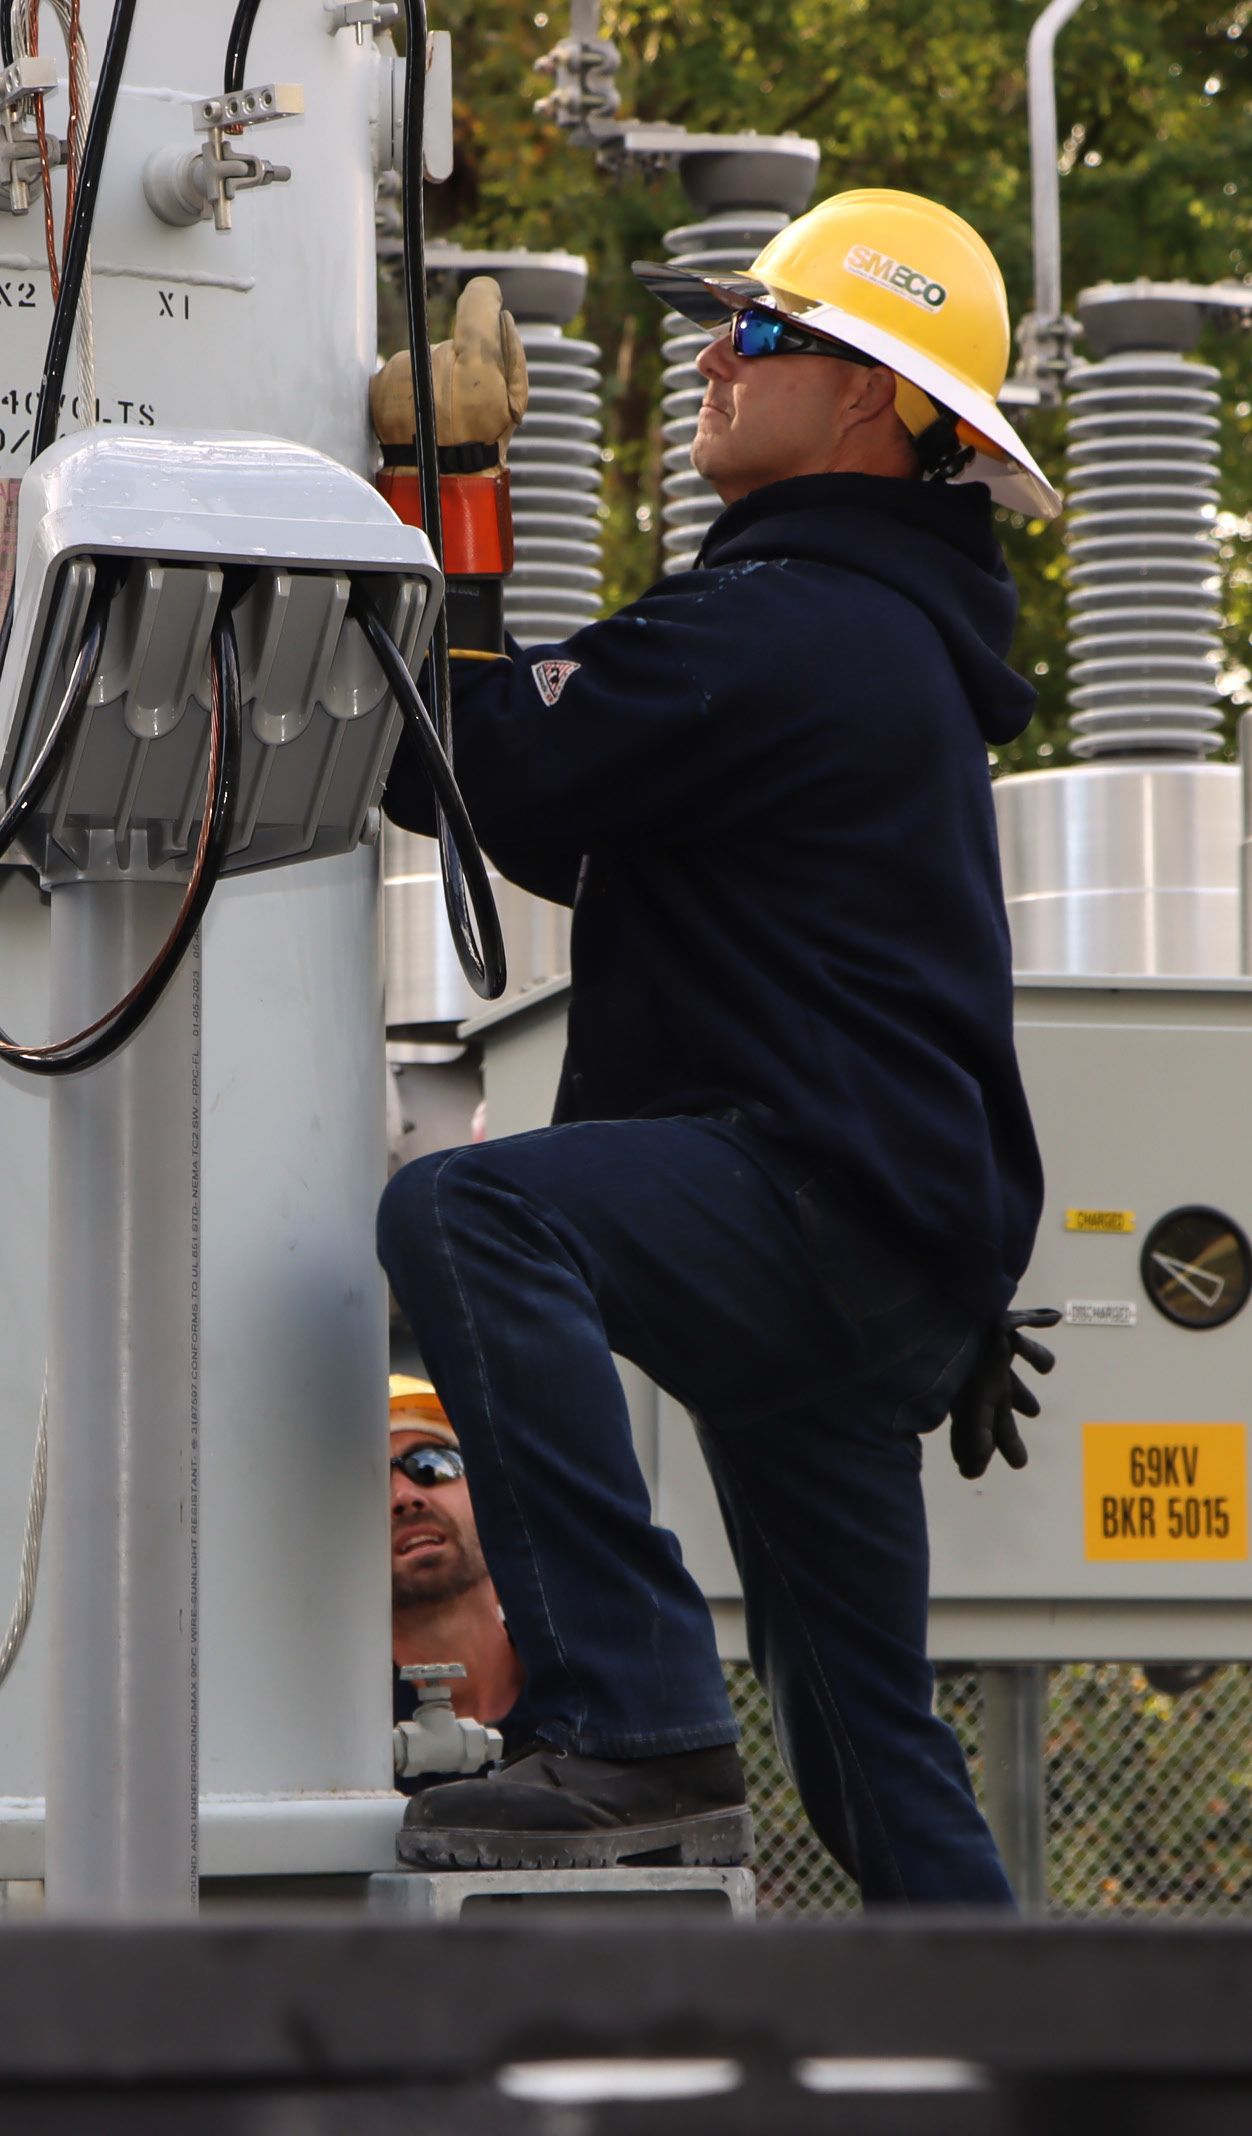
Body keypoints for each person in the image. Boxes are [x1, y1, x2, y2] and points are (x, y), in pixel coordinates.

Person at [377, 188, 1059, 1900]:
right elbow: (519, 801)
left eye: (756, 329)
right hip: (878, 1246)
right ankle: (1020, 2035)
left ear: (873, 398)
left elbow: (471, 761)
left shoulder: (790, 619)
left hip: (812, 1204)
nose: (709, 356)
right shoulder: (873, 633)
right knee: (870, 1758)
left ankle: (632, 1719)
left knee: (472, 1211)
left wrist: (442, 503)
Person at [389, 1374, 524, 1768]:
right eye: (368, 1481)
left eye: (431, 1464)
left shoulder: (595, 1698)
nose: (404, 1496)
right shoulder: (323, 1734)